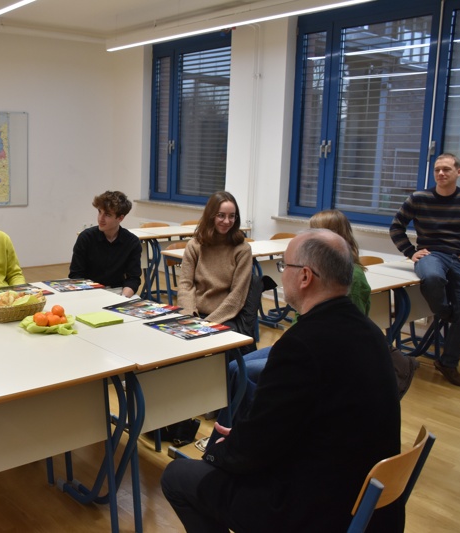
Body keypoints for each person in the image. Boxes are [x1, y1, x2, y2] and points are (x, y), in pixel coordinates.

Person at [161, 229, 403, 533]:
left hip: (314, 512)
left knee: (178, 475)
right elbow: (310, 420)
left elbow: (252, 451)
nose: (281, 273)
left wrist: (218, 451)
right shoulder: (371, 333)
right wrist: (247, 437)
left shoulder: (302, 344)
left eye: (284, 266)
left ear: (305, 276)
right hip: (368, 506)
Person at [233, 209, 371, 398]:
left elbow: (344, 336)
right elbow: (303, 317)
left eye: (313, 232)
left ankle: (250, 406)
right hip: (299, 343)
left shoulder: (350, 278)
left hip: (318, 354)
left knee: (239, 372)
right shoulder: (321, 273)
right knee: (233, 367)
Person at [389, 153, 460, 387]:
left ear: (458, 172)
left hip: (459, 258)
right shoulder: (419, 198)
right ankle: (446, 313)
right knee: (433, 276)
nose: (441, 173)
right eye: (437, 170)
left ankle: (448, 363)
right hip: (430, 255)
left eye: (446, 169)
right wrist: (410, 252)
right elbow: (396, 227)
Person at [177, 191, 252, 324]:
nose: (227, 221)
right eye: (221, 215)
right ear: (211, 216)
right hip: (194, 314)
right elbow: (185, 285)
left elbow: (237, 296)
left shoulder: (242, 249)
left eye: (232, 216)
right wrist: (189, 315)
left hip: (225, 317)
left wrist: (208, 323)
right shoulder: (194, 245)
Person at [69, 191, 142, 297]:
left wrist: (123, 298)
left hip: (118, 290)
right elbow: (76, 275)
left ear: (120, 218)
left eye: (107, 215)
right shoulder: (86, 237)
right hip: (88, 290)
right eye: (99, 212)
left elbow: (133, 279)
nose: (100, 218)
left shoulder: (132, 242)